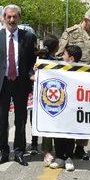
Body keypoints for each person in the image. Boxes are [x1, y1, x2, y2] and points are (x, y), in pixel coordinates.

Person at [0, 4, 37, 167]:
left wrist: (31, 74)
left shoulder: (28, 37)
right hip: (2, 84)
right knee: (2, 120)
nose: (12, 20)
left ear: (19, 18)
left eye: (15, 17)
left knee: (20, 119)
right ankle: (3, 152)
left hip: (21, 84)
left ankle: (19, 152)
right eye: (9, 17)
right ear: (4, 18)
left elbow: (32, 61)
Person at [57, 7, 90, 161]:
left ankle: (80, 146)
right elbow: (59, 54)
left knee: (84, 114)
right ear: (86, 20)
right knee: (70, 113)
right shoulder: (71, 32)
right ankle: (66, 146)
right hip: (72, 81)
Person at [49, 45, 83, 172]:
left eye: (64, 54)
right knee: (58, 131)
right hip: (59, 105)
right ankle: (59, 157)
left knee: (70, 132)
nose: (61, 56)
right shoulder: (58, 68)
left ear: (71, 58)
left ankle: (69, 157)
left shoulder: (82, 71)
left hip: (73, 107)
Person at [37, 35, 59, 167]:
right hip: (51, 96)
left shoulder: (38, 59)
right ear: (56, 48)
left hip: (43, 96)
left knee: (46, 123)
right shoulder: (55, 62)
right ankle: (48, 150)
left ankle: (46, 150)